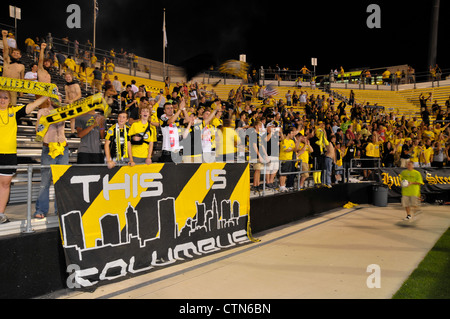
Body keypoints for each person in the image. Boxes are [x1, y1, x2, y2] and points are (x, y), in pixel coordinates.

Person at [0, 91, 49, 224]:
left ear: (9, 100)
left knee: (5, 185)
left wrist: (45, 96)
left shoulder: (14, 111)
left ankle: (0, 213)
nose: (2, 100)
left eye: (5, 97)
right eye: (0, 97)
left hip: (9, 154)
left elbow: (32, 105)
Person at [159, 98, 189, 162]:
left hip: (177, 150)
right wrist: (179, 109)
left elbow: (188, 120)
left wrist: (183, 109)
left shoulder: (177, 118)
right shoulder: (162, 118)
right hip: (167, 151)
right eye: (168, 108)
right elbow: (171, 121)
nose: (170, 110)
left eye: (171, 108)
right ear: (164, 110)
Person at [2, 30, 25, 105]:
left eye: (17, 53)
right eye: (14, 53)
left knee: (12, 106)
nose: (15, 54)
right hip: (3, 86)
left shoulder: (22, 66)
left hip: (14, 88)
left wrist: (21, 91)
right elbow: (5, 48)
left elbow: (22, 79)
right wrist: (4, 36)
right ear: (11, 54)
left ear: (20, 56)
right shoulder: (7, 60)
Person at [64, 71, 82, 137]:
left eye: (69, 77)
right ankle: (72, 132)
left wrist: (72, 100)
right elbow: (67, 95)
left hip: (77, 102)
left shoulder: (76, 85)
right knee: (72, 118)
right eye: (66, 77)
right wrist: (67, 100)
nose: (68, 78)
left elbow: (79, 95)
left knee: (77, 118)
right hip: (71, 103)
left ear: (71, 77)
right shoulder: (66, 86)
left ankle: (79, 132)